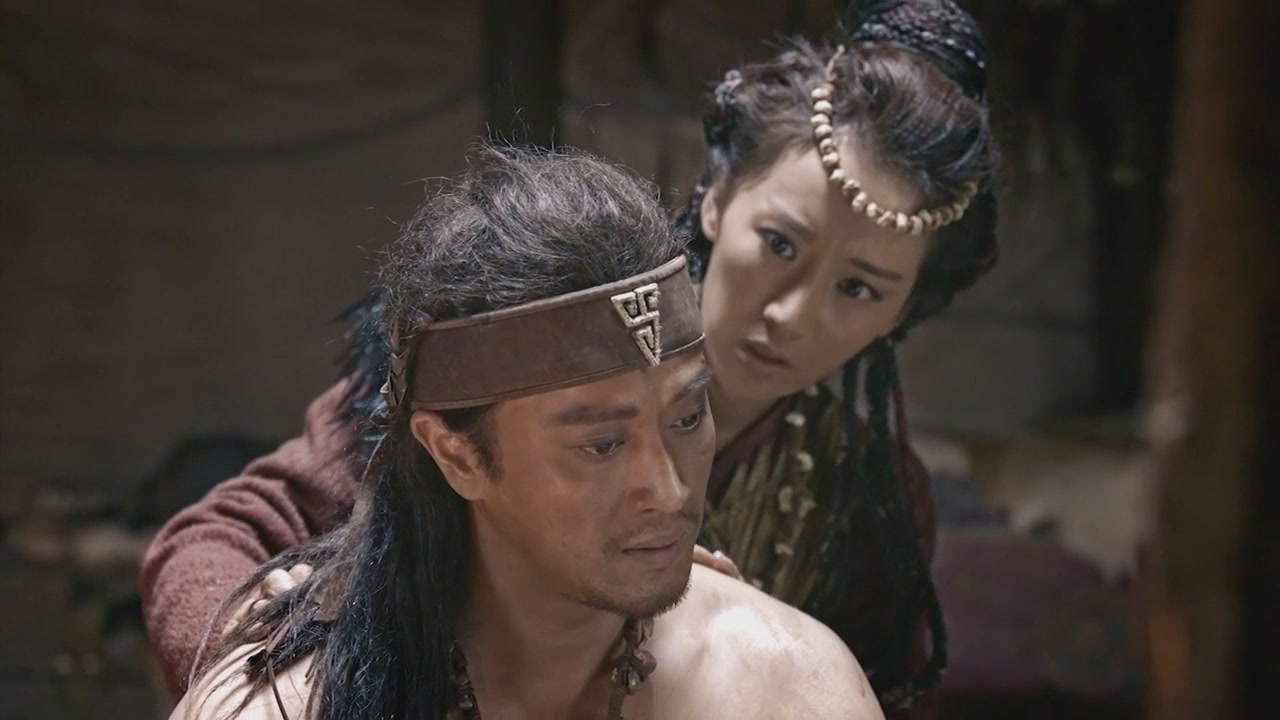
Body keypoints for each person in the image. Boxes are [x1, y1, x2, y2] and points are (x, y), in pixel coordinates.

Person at [143, 1, 997, 715]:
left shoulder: (865, 497)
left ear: (902, 314)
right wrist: (299, 658)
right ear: (717, 200)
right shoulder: (510, 348)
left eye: (859, 288)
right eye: (779, 244)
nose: (792, 312)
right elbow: (219, 541)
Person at [168, 144, 882, 720]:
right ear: (459, 456)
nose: (669, 490)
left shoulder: (792, 687)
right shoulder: (288, 705)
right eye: (601, 445)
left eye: (687, 418)